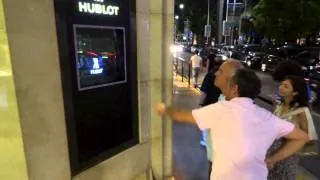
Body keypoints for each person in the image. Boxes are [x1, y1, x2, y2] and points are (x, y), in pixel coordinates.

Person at [156, 60, 310, 180]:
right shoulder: (267, 116)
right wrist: (272, 159)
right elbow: (302, 137)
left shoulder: (222, 110)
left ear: (235, 88)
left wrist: (164, 109)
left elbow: (181, 115)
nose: (217, 74)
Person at [267, 76, 318, 180]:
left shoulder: (302, 111)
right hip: (271, 152)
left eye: (286, 86)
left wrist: (292, 138)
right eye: (281, 84)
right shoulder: (279, 106)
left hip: (287, 156)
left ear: (295, 92)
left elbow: (308, 137)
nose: (281, 87)